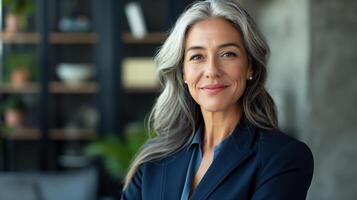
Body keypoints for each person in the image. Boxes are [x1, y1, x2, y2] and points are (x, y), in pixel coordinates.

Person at [121, 0, 313, 199]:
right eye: (197, 56)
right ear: (183, 72)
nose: (212, 70)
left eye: (228, 54)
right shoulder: (154, 157)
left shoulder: (283, 157)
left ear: (250, 67)